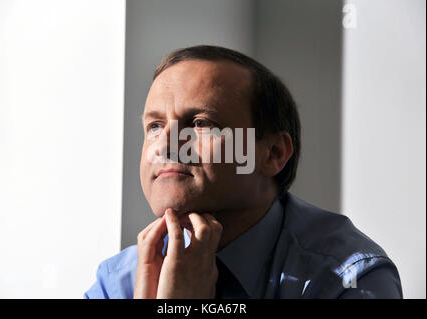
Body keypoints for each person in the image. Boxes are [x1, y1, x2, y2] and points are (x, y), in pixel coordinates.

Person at [84, 45, 402, 299]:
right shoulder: (118, 281)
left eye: (200, 124)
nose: (165, 145)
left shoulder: (348, 279)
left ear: (273, 154)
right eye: (155, 125)